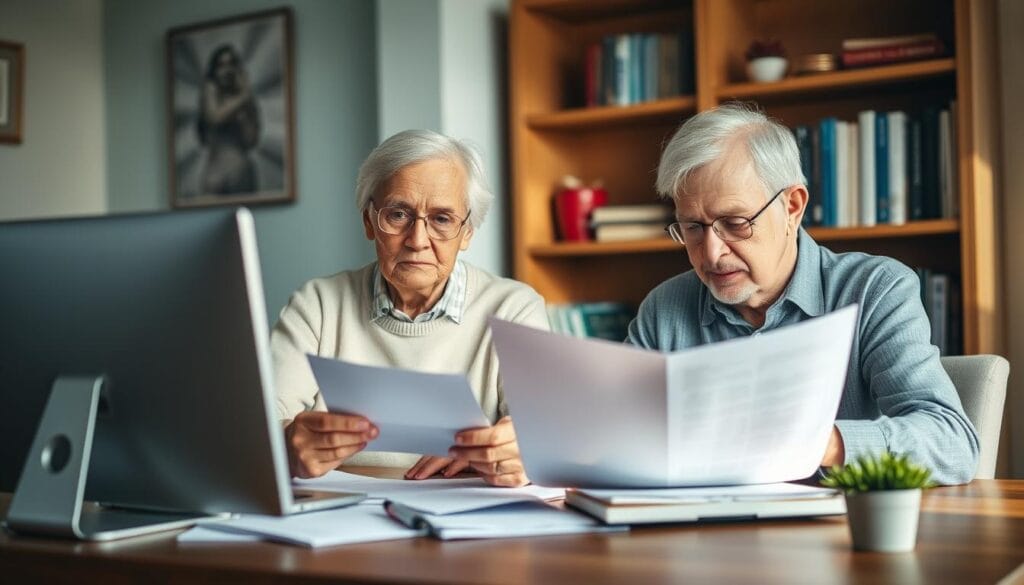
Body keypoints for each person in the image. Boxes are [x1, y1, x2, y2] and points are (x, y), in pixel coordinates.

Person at [626, 103, 979, 485]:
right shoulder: (664, 309)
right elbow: (617, 434)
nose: (711, 253)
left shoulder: (875, 290)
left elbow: (952, 443)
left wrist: (820, 443)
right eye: (693, 227)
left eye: (735, 223)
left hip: (841, 537)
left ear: (792, 207)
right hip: (700, 533)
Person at [272, 129, 548, 487]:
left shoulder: (515, 310)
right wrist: (285, 446)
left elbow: (544, 439)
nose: (418, 241)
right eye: (398, 214)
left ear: (467, 233)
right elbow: (255, 430)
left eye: (442, 219)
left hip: (467, 528)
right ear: (369, 221)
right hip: (340, 523)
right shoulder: (317, 306)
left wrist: (521, 454)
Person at [197, 44, 260, 195]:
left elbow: (251, 140)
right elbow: (214, 117)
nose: (227, 71)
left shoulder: (244, 101)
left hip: (241, 170)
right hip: (215, 172)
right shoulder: (210, 90)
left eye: (231, 64)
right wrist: (244, 96)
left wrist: (246, 106)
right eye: (221, 66)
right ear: (215, 70)